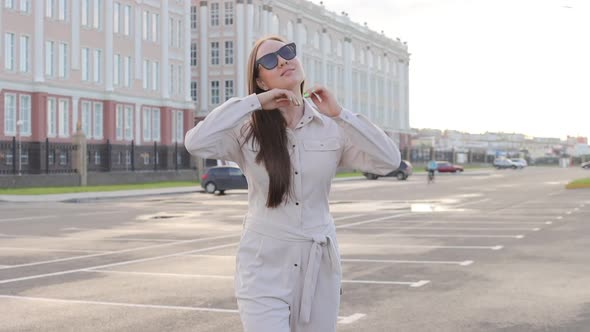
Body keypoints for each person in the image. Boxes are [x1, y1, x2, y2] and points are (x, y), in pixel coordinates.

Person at [184, 36, 401, 332]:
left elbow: (389, 160)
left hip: (319, 264)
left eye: (288, 52)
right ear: (260, 81)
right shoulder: (245, 130)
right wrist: (256, 102)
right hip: (264, 265)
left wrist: (341, 115)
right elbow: (196, 142)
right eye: (270, 61)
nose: (284, 60)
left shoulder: (331, 127)